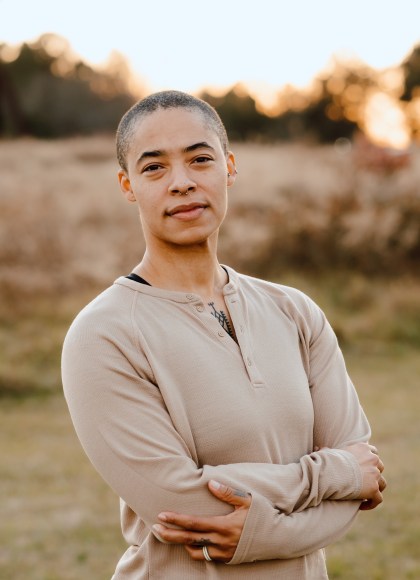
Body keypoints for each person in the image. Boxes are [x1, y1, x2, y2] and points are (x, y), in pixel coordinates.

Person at [62, 90, 386, 579]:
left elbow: (362, 476)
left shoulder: (295, 311)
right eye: (155, 168)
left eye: (200, 159)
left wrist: (333, 488)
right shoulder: (102, 335)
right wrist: (335, 475)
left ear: (229, 167)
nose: (182, 182)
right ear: (128, 185)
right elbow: (180, 505)